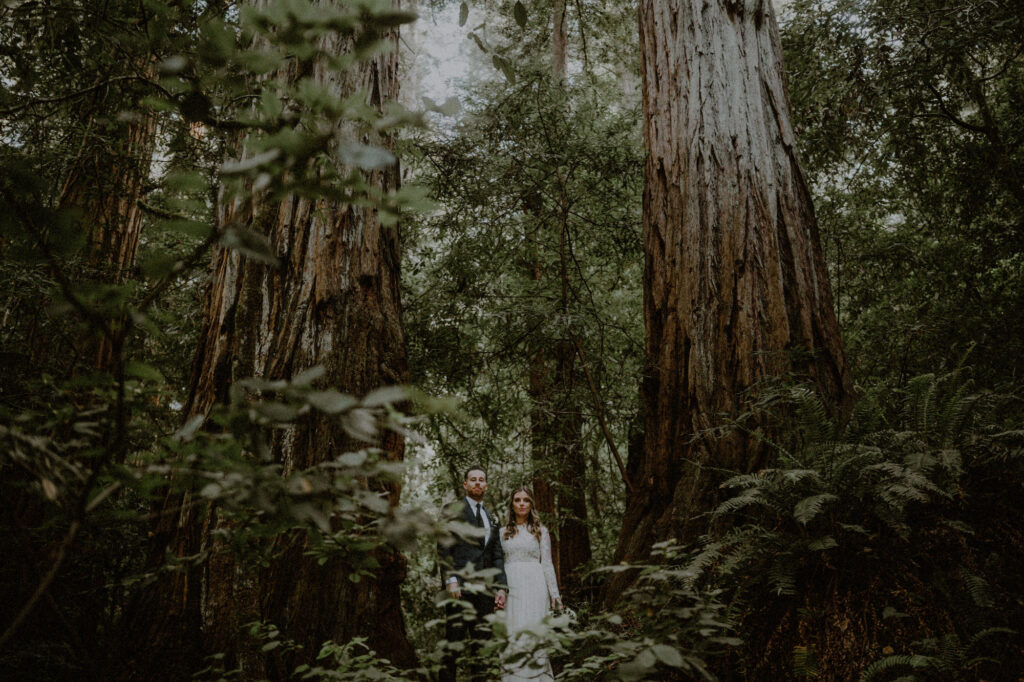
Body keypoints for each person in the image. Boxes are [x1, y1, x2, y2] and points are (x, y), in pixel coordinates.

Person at [437, 465, 508, 682]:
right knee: (453, 644)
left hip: (485, 592)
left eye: (481, 479)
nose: (477, 483)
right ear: (465, 484)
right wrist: (451, 580)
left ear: (486, 485)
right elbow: (443, 547)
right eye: (473, 479)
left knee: (482, 647)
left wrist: (501, 588)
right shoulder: (452, 510)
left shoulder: (491, 518)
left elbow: (497, 556)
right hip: (460, 588)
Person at [499, 486, 563, 682]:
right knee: (513, 632)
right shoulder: (502, 532)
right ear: (512, 504)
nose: (521, 504)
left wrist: (555, 594)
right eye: (517, 500)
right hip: (512, 586)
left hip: (536, 586)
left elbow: (547, 563)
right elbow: (497, 563)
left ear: (531, 504)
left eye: (525, 500)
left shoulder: (541, 531)